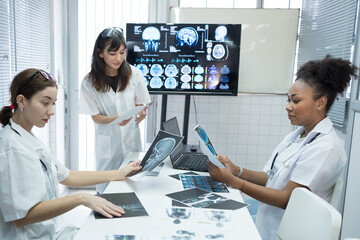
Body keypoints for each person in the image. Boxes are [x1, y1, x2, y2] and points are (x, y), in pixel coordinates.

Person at [208, 55, 358, 240]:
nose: (288, 107)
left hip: (290, 233)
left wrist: (234, 181)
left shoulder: (327, 147)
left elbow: (286, 198)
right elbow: (271, 178)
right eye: (288, 101)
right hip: (269, 223)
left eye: (296, 101)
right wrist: (236, 170)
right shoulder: (296, 136)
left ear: (320, 103)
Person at [0, 68, 142, 239]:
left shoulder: (26, 137)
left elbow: (68, 176)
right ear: (21, 101)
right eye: (45, 103)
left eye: (53, 103)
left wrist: (118, 174)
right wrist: (80, 198)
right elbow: (22, 217)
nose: (51, 111)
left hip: (54, 231)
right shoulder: (11, 147)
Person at [79, 27, 151, 193]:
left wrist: (142, 111)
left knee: (132, 188)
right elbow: (95, 117)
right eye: (112, 53)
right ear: (100, 53)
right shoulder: (89, 81)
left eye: (122, 52)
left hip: (131, 141)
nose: (118, 58)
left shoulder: (135, 74)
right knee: (106, 189)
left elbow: (142, 103)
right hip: (108, 146)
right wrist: (116, 120)